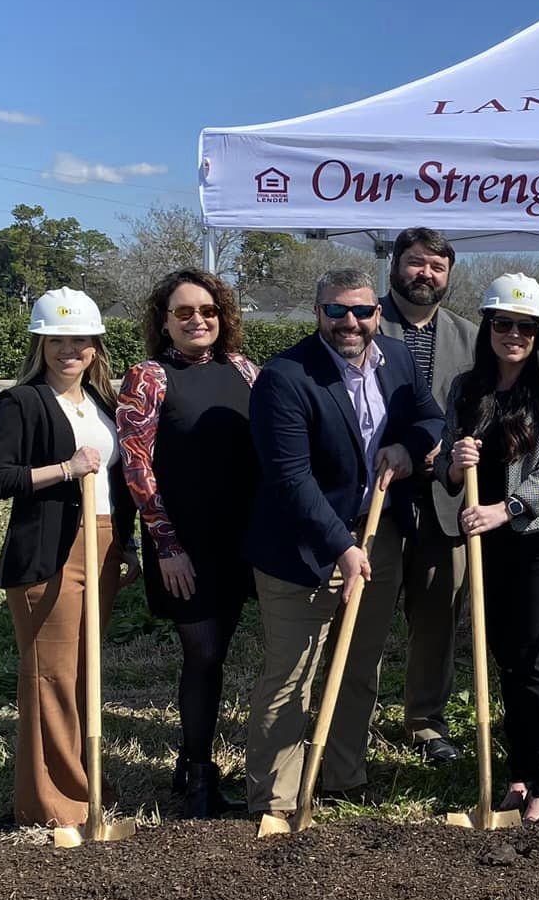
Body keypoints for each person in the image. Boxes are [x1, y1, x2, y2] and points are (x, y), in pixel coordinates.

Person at [242, 268, 441, 823]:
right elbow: (289, 478)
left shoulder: (397, 360)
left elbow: (430, 415)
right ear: (317, 312)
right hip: (302, 548)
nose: (349, 322)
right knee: (291, 677)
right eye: (336, 311)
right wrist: (341, 548)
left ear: (378, 312)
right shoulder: (285, 376)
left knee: (359, 663)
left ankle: (343, 776)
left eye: (361, 310)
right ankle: (277, 802)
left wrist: (407, 446)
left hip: (376, 533)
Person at [0, 288, 136, 828]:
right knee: (51, 674)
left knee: (85, 670)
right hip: (52, 549)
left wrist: (128, 544)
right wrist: (66, 469)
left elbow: (120, 482)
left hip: (106, 539)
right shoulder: (21, 402)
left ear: (96, 345)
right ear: (41, 343)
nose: (70, 350)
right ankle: (51, 804)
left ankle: (87, 783)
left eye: (81, 340)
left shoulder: (103, 404)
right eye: (58, 340)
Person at [438, 274, 539, 823]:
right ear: (488, 327)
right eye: (504, 324)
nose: (514, 335)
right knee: (503, 658)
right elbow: (446, 465)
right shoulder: (466, 388)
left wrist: (509, 508)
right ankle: (519, 771)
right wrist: (455, 464)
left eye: (526, 326)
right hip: (487, 537)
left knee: (533, 661)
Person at [116, 269, 259, 818]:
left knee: (218, 651)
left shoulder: (245, 371)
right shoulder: (148, 377)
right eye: (184, 312)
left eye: (208, 311)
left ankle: (188, 763)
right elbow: (137, 464)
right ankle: (200, 778)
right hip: (182, 541)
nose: (198, 320)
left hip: (237, 537)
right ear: (164, 321)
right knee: (200, 653)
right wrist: (166, 544)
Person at [379, 227, 479, 763]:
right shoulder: (360, 323)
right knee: (366, 609)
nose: (426, 275)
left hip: (445, 498)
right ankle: (352, 711)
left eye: (437, 268)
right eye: (417, 264)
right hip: (375, 494)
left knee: (439, 611)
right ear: (395, 265)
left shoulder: (468, 336)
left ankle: (424, 720)